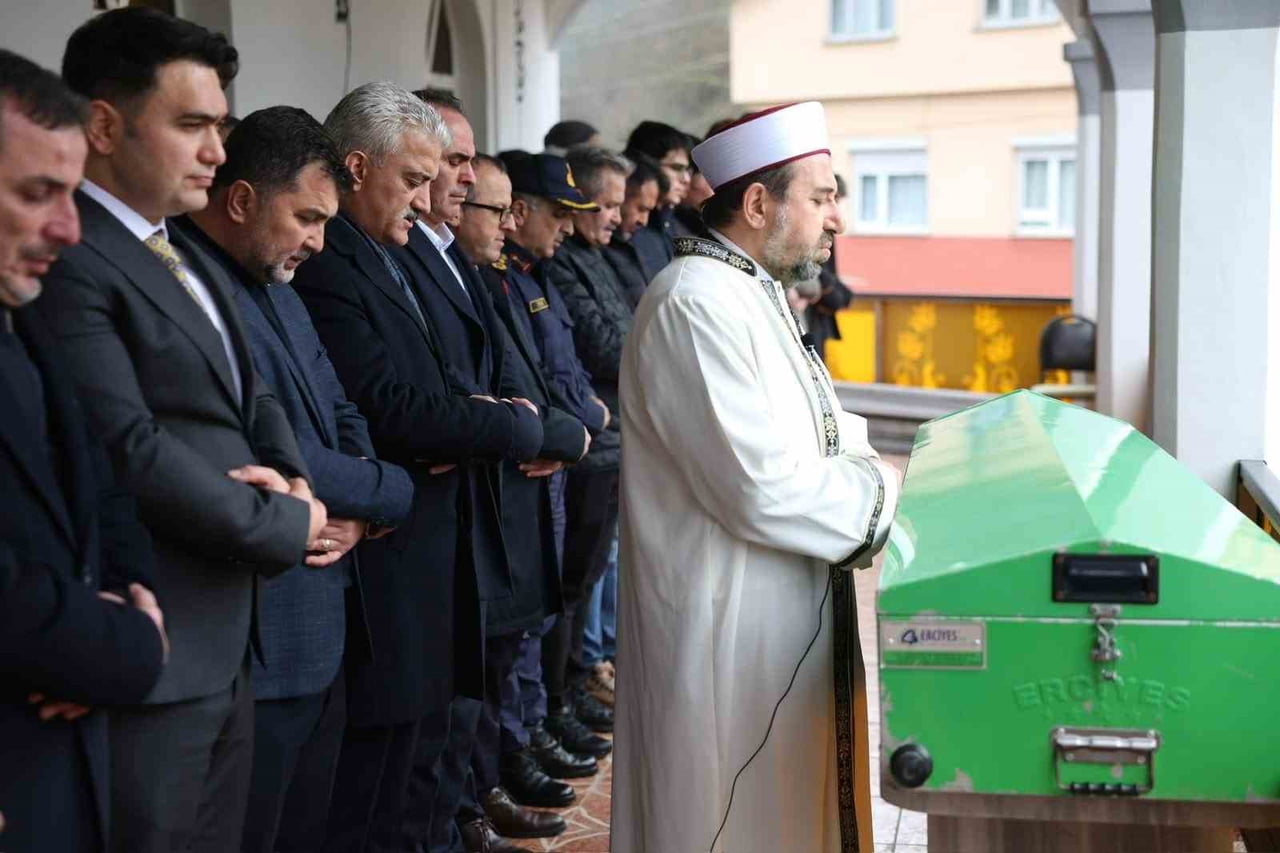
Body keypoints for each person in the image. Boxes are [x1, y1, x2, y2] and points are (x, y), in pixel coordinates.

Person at [39, 11, 326, 851]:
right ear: (102, 123)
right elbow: (126, 446)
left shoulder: (182, 248)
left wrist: (294, 475)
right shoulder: (72, 255)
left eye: (221, 128)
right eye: (192, 125)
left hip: (227, 640)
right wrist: (286, 522)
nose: (215, 150)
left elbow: (254, 394)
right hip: (156, 643)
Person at [611, 101, 900, 853]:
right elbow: (764, 488)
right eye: (823, 196)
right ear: (757, 202)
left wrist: (867, 473)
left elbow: (836, 430)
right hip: (723, 639)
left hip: (776, 630)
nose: (838, 220)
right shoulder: (694, 304)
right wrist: (887, 493)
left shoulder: (756, 292)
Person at [291, 82, 541, 853]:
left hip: (430, 547)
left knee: (417, 773)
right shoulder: (334, 262)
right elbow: (386, 404)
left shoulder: (386, 254)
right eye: (414, 178)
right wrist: (503, 423)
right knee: (373, 797)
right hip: (388, 562)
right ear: (358, 168)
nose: (431, 195)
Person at [174, 106, 415, 853]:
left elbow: (340, 409)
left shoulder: (280, 283)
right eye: (307, 217)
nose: (318, 240)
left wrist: (367, 508)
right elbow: (274, 453)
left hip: (324, 623)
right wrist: (388, 489)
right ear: (243, 200)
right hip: (257, 636)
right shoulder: (186, 286)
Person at [0, 48, 168, 853]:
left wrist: (134, 587)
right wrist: (124, 645)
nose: (69, 228)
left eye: (72, 194)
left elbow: (100, 480)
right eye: (38, 194)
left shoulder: (25, 310)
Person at [391, 88, 545, 853]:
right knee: (421, 735)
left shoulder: (451, 257)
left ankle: (460, 817)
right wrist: (502, 418)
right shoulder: (398, 251)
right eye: (448, 161)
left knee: (466, 702)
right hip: (428, 516)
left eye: (459, 162)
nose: (458, 177)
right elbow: (421, 395)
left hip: (480, 498)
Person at [454, 152, 591, 850]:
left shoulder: (508, 281)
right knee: (487, 663)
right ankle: (483, 790)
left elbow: (536, 380)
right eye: (493, 208)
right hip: (495, 489)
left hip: (539, 467)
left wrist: (569, 429)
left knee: (526, 638)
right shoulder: (470, 281)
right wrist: (554, 428)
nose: (506, 224)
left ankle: (503, 768)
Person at [482, 151, 615, 799]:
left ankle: (539, 722)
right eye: (558, 214)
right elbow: (525, 385)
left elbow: (566, 373)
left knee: (555, 602)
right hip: (538, 462)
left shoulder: (538, 278)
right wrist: (575, 426)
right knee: (535, 613)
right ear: (519, 212)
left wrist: (585, 417)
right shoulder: (501, 280)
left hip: (565, 454)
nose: (566, 226)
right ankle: (518, 744)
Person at [545, 146, 634, 716]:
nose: (616, 219)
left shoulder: (598, 257)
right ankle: (565, 694)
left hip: (615, 433)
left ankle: (575, 682)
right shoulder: (561, 262)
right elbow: (605, 346)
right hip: (590, 442)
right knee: (573, 582)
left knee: (595, 570)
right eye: (605, 206)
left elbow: (626, 328)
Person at [623, 120, 691, 277]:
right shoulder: (629, 227)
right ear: (647, 164)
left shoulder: (676, 225)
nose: (686, 179)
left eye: (687, 170)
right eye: (676, 168)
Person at [603, 155, 663, 308]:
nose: (643, 221)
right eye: (641, 209)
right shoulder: (597, 249)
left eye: (649, 211)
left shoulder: (650, 242)